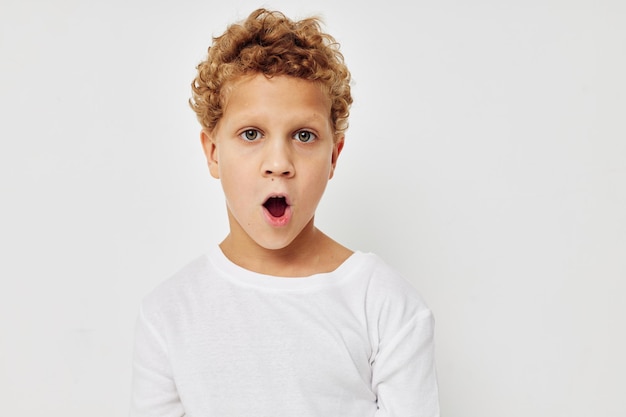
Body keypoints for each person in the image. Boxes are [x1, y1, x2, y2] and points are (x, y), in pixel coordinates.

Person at [130, 8, 440, 417]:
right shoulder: (168, 313)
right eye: (252, 134)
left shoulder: (384, 304)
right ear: (213, 153)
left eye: (304, 135)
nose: (279, 162)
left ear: (334, 156)